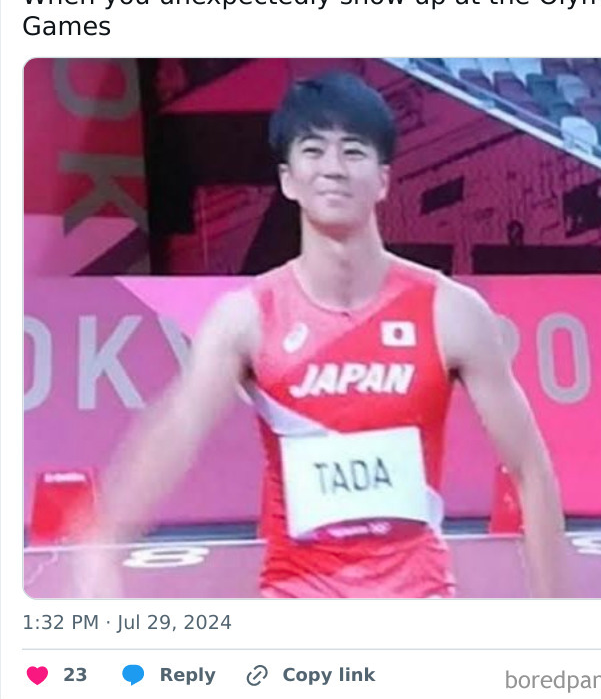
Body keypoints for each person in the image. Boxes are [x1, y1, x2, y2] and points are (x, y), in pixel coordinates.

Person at [75, 72, 567, 598]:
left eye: (354, 151)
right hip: (295, 609)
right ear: (288, 179)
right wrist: (101, 543)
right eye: (314, 150)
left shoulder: (452, 312)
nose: (333, 169)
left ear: (382, 179)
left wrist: (554, 619)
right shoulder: (247, 317)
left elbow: (530, 469)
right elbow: (178, 427)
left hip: (419, 610)